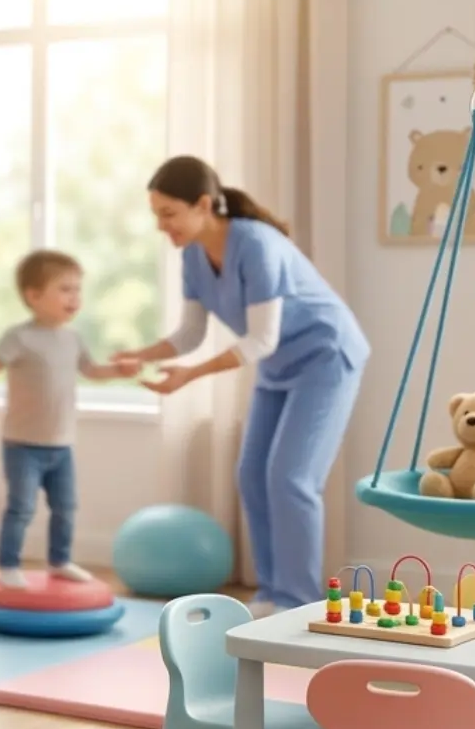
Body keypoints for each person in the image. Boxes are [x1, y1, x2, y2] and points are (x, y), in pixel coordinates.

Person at [111, 155, 369, 615]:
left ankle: (298, 601)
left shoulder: (256, 245)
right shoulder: (192, 254)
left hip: (326, 356)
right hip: (278, 365)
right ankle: (272, 592)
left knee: (292, 479)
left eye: (168, 213)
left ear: (203, 205)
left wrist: (189, 375)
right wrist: (142, 356)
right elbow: (191, 333)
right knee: (252, 476)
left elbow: (261, 338)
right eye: (156, 215)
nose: (161, 225)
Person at [0, 249, 140, 588]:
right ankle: (8, 566)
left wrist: (119, 370)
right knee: (21, 508)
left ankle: (60, 560)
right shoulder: (18, 337)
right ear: (33, 296)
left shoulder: (73, 337)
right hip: (22, 444)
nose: (75, 297)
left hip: (62, 444)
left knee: (66, 507)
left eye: (78, 289)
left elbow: (92, 371)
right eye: (65, 289)